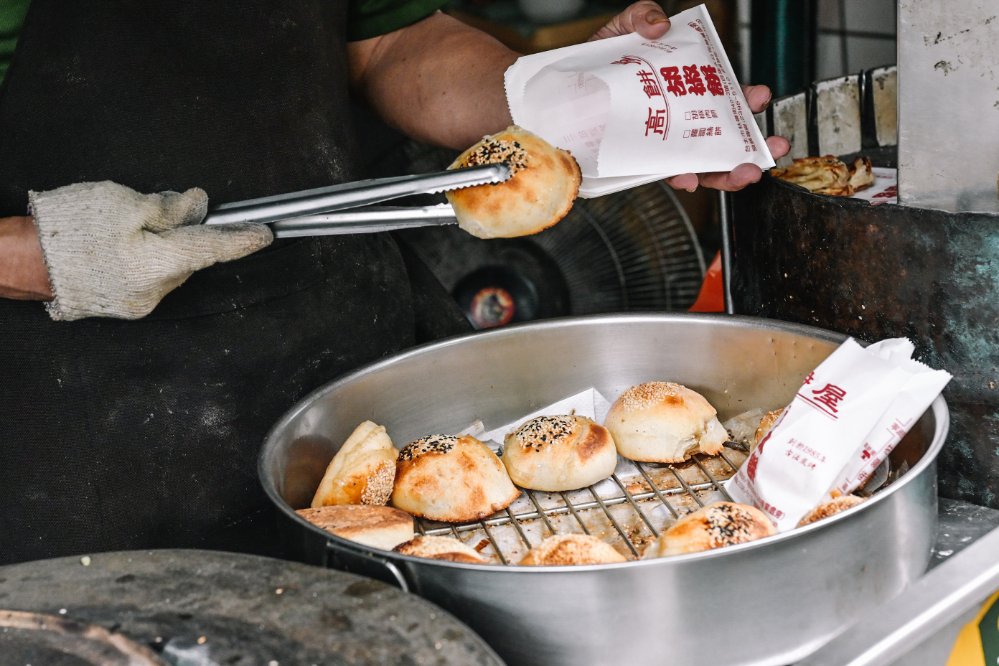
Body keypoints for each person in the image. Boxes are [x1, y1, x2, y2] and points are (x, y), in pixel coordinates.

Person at [0, 1, 789, 565]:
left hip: (345, 340)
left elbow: (388, 45)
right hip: (75, 422)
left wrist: (576, 100)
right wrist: (41, 256)